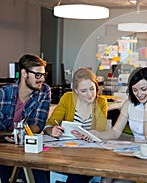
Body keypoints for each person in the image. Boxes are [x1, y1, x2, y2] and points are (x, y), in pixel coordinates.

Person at [44, 67, 108, 183]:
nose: (90, 94)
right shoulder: (68, 98)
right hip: (67, 153)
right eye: (84, 91)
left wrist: (89, 135)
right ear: (76, 91)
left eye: (92, 89)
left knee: (79, 174)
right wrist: (51, 130)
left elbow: (101, 131)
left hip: (91, 155)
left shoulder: (101, 102)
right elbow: (50, 124)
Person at [0, 54, 51, 183]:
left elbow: (38, 124)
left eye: (44, 75)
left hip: (27, 145)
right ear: (24, 73)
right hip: (3, 145)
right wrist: (6, 135)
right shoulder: (3, 93)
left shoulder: (44, 91)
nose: (42, 79)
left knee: (38, 172)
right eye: (38, 75)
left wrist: (21, 133)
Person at [89, 67, 147, 143]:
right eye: (135, 90)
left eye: (143, 89)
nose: (139, 94)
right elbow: (115, 132)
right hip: (136, 151)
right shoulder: (128, 104)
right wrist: (94, 134)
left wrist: (146, 108)